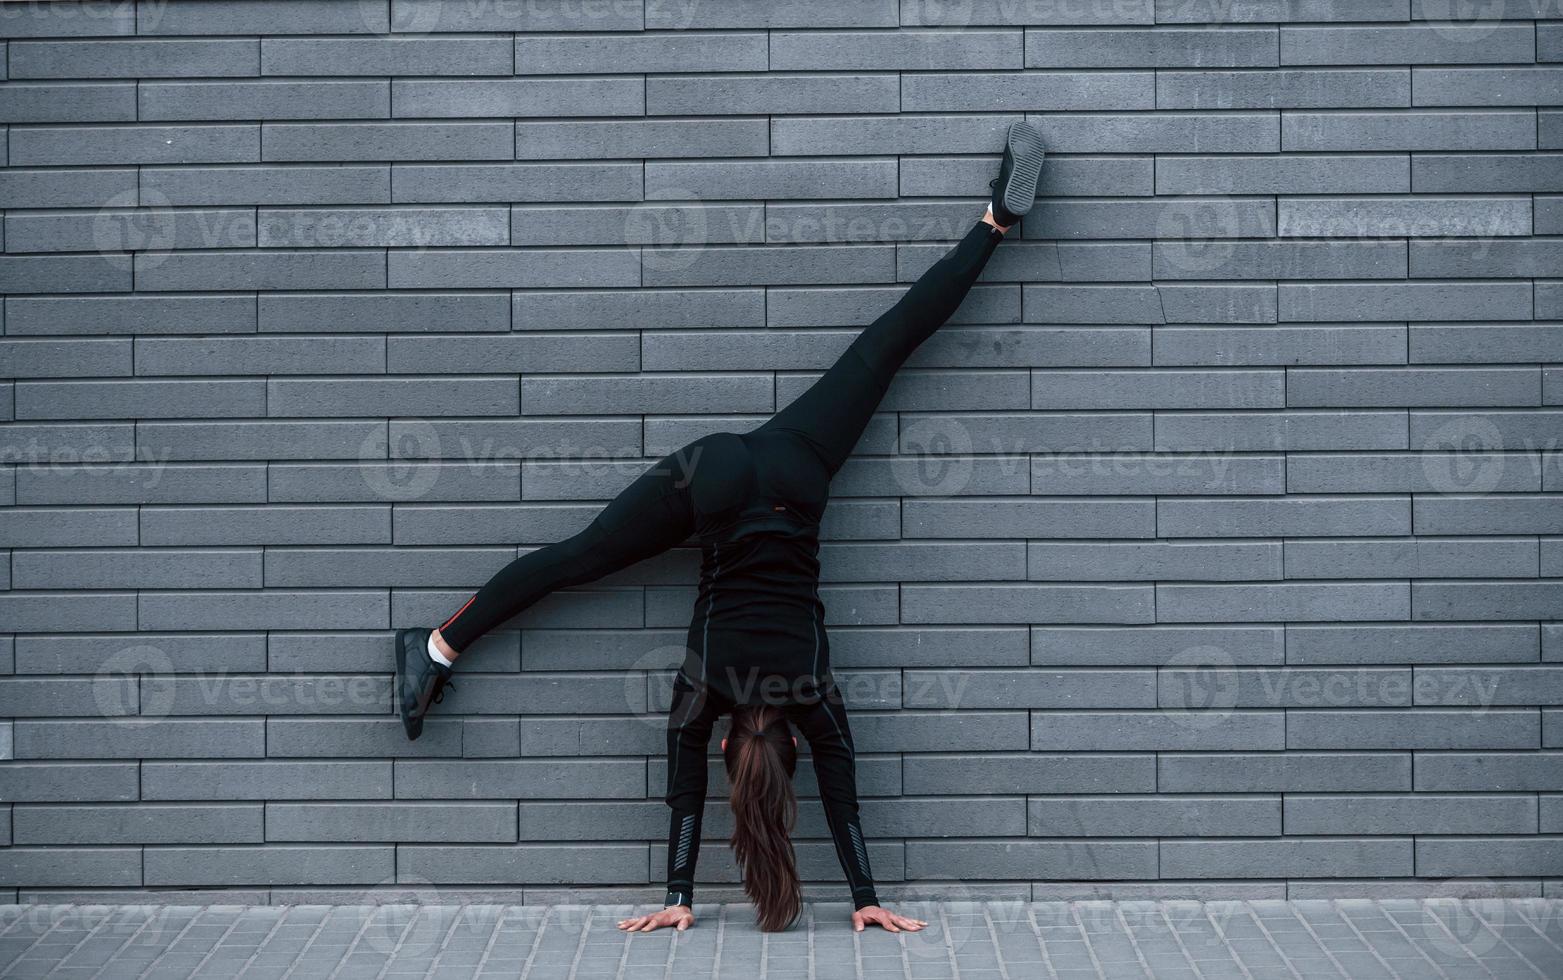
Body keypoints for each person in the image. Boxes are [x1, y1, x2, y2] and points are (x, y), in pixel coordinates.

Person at [394, 122, 1047, 933]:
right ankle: (432, 648)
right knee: (581, 558)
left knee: (889, 344)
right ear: (731, 749)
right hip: (712, 484)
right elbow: (683, 791)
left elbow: (841, 791)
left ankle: (994, 223)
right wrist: (676, 897)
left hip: (791, 474)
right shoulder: (701, 692)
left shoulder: (812, 694)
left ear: (789, 750)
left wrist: (866, 897)